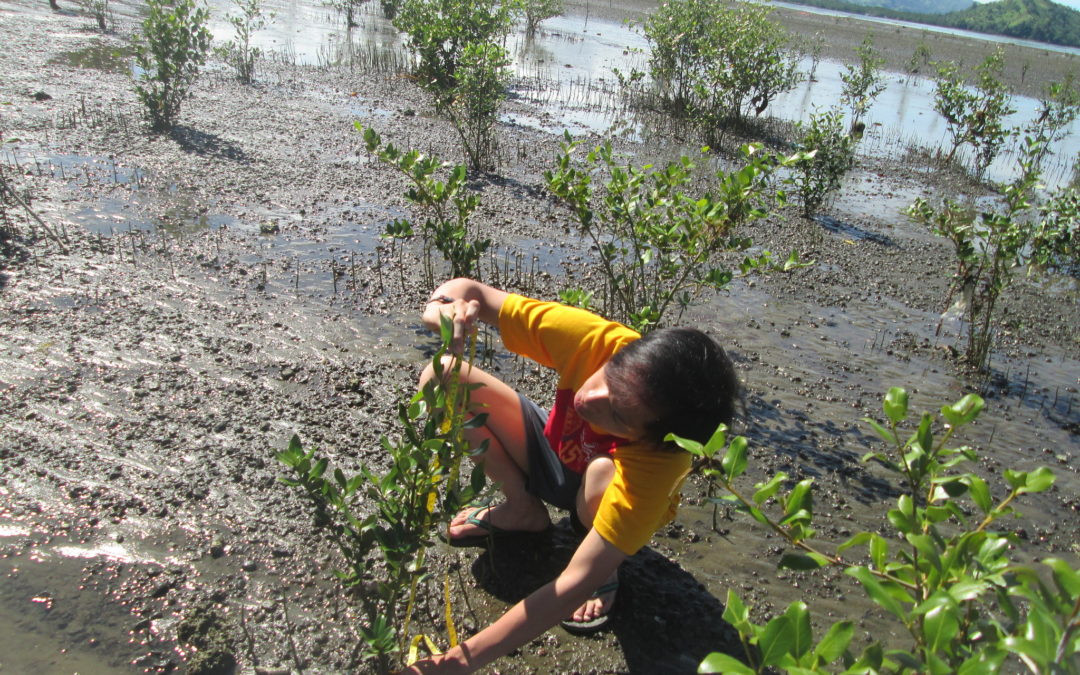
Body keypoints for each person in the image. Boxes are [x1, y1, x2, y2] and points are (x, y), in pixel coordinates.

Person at [405, 278, 740, 674]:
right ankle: (523, 510)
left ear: (656, 437)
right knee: (441, 374)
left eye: (617, 415)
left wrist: (459, 662)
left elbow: (570, 587)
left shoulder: (660, 464)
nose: (587, 398)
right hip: (560, 454)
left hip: (601, 494)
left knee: (601, 473)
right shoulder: (599, 341)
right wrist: (443, 308)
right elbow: (469, 289)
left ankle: (606, 565)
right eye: (608, 377)